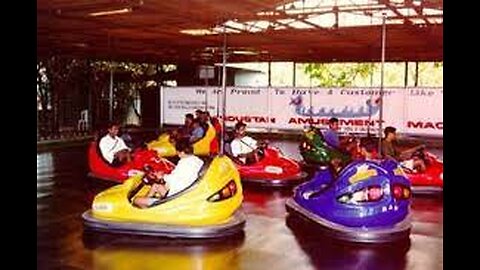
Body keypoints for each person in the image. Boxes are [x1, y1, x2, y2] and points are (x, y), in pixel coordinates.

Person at [134, 139, 204, 208]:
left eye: (178, 152)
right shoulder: (198, 161)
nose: (177, 154)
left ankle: (151, 213)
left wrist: (161, 176)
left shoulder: (183, 162)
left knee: (137, 200)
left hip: (176, 197)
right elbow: (180, 176)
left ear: (182, 152)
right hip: (185, 191)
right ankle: (150, 205)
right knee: (155, 186)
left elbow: (173, 179)